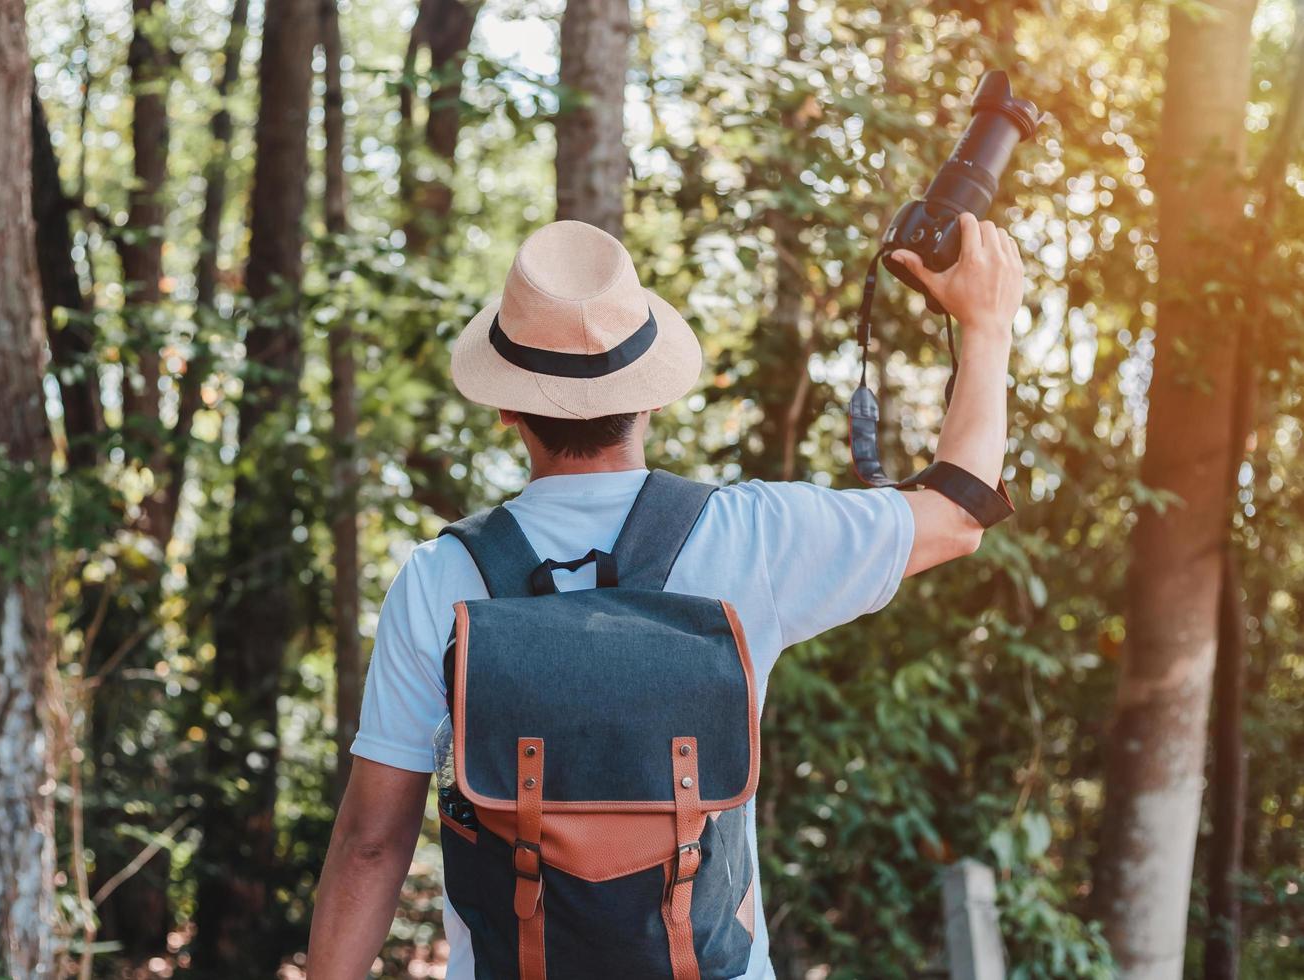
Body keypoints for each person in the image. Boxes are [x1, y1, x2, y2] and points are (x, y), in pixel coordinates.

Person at [307, 215, 1024, 978]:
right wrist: (986, 328)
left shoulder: (437, 579)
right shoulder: (752, 535)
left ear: (507, 407)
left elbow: (372, 845)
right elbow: (959, 514)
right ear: (649, 397)